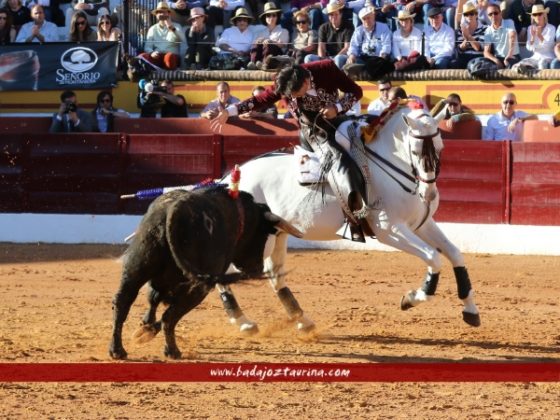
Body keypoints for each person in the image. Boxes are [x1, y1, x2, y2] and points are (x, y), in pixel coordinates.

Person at [210, 61, 370, 242]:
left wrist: (337, 108)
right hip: (315, 131)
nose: (293, 97)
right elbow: (260, 100)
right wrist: (230, 111)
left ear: (304, 83)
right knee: (340, 162)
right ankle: (355, 221)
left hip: (338, 119)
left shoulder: (326, 69)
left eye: (294, 93)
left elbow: (356, 91)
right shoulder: (284, 82)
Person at [344, 6, 394, 79]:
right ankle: (362, 67)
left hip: (378, 58)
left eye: (368, 17)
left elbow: (386, 45)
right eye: (364, 19)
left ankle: (363, 68)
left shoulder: (383, 27)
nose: (367, 21)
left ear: (373, 16)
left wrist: (382, 56)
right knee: (345, 60)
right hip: (363, 58)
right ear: (361, 21)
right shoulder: (359, 30)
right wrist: (352, 55)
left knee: (377, 63)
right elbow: (353, 45)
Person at [304, 0, 354, 69]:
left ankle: (337, 79)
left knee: (339, 58)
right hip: (327, 57)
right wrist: (322, 60)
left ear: (341, 14)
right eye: (331, 14)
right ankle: (315, 79)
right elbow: (321, 46)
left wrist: (334, 59)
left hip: (341, 56)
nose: (333, 17)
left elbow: (347, 47)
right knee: (308, 57)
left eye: (336, 14)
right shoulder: (323, 27)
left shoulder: (348, 26)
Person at [138, 2, 185, 71]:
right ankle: (157, 70)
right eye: (159, 12)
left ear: (169, 14)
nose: (162, 14)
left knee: (169, 57)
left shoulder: (177, 26)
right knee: (142, 56)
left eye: (164, 12)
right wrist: (152, 53)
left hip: (172, 56)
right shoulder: (152, 28)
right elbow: (147, 46)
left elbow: (183, 39)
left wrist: (171, 27)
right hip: (158, 56)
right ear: (156, 15)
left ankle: (166, 72)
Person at [511, 4, 555, 72]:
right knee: (517, 65)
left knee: (542, 64)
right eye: (535, 15)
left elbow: (548, 46)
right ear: (533, 17)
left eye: (540, 14)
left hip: (548, 56)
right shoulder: (530, 28)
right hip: (535, 57)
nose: (537, 16)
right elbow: (529, 48)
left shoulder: (551, 28)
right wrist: (532, 37)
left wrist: (540, 35)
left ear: (544, 15)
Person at [247, 2, 289, 70]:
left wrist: (270, 41)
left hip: (277, 57)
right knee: (256, 43)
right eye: (268, 15)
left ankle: (264, 64)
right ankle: (253, 63)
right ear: (265, 18)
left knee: (268, 44)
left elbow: (283, 45)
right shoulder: (260, 32)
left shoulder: (284, 31)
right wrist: (259, 41)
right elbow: (254, 47)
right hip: (261, 57)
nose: (271, 18)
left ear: (277, 17)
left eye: (274, 15)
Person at [482, 2, 520, 69]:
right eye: (490, 14)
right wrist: (496, 61)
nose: (493, 16)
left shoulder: (509, 22)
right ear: (488, 17)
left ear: (500, 14)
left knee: (511, 68)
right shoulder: (488, 30)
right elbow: (486, 52)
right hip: (498, 57)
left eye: (495, 13)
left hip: (512, 56)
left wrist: (509, 55)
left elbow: (512, 36)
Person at [452, 1, 487, 69]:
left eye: (471, 13)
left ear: (476, 15)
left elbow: (479, 48)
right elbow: (460, 50)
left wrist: (468, 36)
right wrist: (466, 39)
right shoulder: (460, 30)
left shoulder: (485, 29)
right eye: (466, 14)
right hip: (464, 57)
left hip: (478, 58)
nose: (469, 16)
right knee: (453, 64)